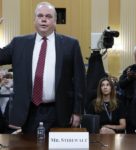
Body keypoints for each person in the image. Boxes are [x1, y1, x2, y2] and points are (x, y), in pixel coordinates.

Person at [0, 2, 85, 134]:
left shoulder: (71, 44)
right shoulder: (19, 43)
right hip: (29, 111)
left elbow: (80, 80)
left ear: (55, 21)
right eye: (40, 16)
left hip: (60, 111)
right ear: (34, 20)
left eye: (48, 16)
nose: (44, 19)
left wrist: (77, 111)